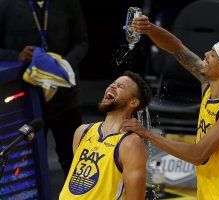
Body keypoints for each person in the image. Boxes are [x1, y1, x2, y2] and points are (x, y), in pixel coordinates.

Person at [121, 16, 219, 200]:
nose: (206, 54)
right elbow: (176, 48)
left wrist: (146, 133)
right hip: (208, 190)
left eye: (213, 54)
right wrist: (149, 29)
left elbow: (198, 154)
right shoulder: (208, 84)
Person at [0, 0, 88, 176]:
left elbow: (82, 42)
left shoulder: (68, 3)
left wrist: (60, 66)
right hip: (24, 98)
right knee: (25, 166)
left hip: (65, 96)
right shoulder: (5, 4)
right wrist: (17, 56)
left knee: (73, 160)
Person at [59, 71, 152, 200]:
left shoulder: (131, 143)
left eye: (120, 86)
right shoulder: (82, 131)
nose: (112, 87)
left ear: (133, 103)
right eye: (113, 84)